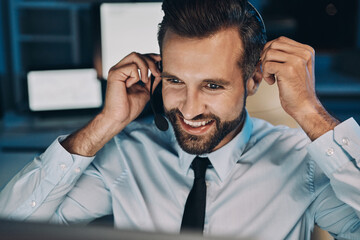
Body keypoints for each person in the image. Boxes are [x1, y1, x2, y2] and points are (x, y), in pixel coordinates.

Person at [1, 0, 360, 239]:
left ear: (252, 80)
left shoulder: (301, 162)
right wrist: (105, 124)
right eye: (175, 81)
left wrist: (311, 114)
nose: (188, 110)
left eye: (213, 85)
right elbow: (14, 224)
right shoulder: (127, 155)